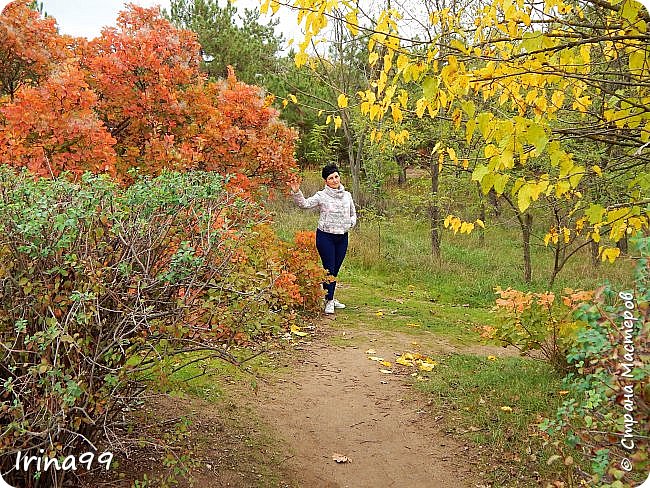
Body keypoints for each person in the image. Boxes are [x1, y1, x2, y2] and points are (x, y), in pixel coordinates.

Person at [289, 164, 357, 314]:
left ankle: (329, 296)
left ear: (339, 177)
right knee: (329, 269)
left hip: (342, 237)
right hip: (325, 237)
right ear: (326, 181)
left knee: (335, 270)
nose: (334, 180)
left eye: (336, 176)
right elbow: (305, 204)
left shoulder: (347, 196)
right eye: (330, 178)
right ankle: (329, 301)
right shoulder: (322, 196)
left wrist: (350, 223)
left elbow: (353, 214)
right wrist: (296, 192)